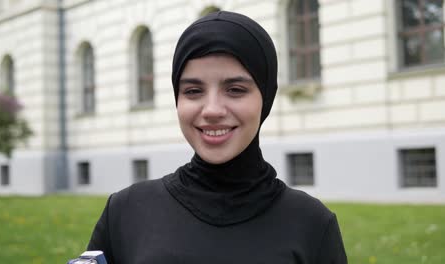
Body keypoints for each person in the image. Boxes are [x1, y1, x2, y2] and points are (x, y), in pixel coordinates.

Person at [87, 11, 347, 264]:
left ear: (265, 97)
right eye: (193, 90)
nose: (212, 110)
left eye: (235, 89)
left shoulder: (312, 224)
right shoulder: (125, 212)